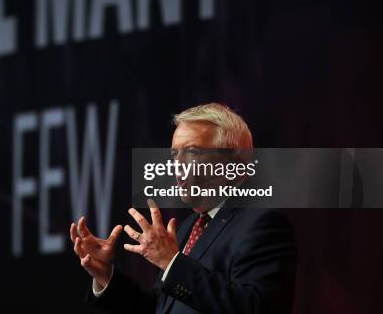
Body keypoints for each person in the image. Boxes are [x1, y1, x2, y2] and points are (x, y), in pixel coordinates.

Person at [69, 103, 296, 313]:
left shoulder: (263, 224)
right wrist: (106, 277)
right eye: (173, 154)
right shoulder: (189, 227)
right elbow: (158, 309)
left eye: (192, 152)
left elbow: (254, 307)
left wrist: (171, 262)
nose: (177, 165)